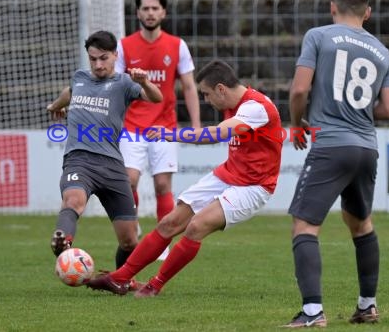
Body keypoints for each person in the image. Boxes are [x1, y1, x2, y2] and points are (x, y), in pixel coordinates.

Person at [87, 59, 282, 297]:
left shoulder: (256, 107)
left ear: (221, 89)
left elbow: (218, 133)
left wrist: (172, 134)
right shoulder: (238, 103)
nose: (206, 101)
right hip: (228, 173)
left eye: (207, 94)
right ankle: (120, 278)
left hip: (254, 187)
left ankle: (154, 285)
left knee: (196, 227)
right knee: (169, 222)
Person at [282, 0, 389, 328]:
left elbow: (300, 88)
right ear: (369, 12)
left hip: (331, 144)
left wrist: (297, 123)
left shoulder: (319, 36)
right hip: (366, 147)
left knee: (304, 225)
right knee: (360, 224)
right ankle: (367, 305)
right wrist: (358, 113)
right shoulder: (383, 52)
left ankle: (313, 312)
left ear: (333, 7)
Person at [47, 30, 163, 278]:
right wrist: (55, 106)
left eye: (103, 58)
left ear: (115, 56)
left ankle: (118, 279)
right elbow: (69, 92)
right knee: (73, 202)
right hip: (79, 159)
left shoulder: (123, 83)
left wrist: (143, 81)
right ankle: (62, 239)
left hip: (111, 165)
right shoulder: (79, 78)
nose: (98, 64)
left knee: (130, 240)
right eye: (93, 59)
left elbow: (157, 98)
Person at [115, 0, 201, 260]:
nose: (150, 13)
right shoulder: (124, 45)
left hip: (164, 127)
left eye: (155, 8)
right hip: (132, 126)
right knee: (129, 181)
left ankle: (162, 241)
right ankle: (134, 226)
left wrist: (196, 126)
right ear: (137, 12)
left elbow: (188, 86)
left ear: (163, 12)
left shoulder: (177, 45)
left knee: (162, 186)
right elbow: (116, 87)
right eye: (145, 8)